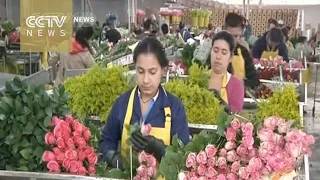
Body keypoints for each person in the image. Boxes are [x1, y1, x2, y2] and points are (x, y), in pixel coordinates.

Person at [99, 37, 190, 168]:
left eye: (152, 72)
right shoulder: (122, 103)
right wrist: (113, 158)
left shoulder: (175, 107)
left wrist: (158, 148)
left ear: (163, 70)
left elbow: (183, 156)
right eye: (140, 71)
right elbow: (105, 141)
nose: (146, 80)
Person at [209, 31, 244, 113]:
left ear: (231, 57)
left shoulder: (236, 84)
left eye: (224, 53)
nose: (218, 56)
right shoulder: (199, 78)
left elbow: (235, 112)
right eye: (215, 51)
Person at [224, 13, 259, 89]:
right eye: (230, 36)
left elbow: (255, 80)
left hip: (238, 95)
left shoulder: (243, 52)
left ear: (241, 34)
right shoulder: (215, 51)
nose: (233, 40)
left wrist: (242, 82)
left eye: (236, 36)